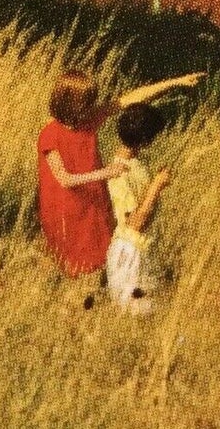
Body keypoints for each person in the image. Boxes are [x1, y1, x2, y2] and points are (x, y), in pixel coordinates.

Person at [37, 69, 202, 289]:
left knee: (96, 264)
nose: (93, 106)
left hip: (92, 203)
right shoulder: (50, 135)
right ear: (71, 103)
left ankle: (97, 299)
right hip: (65, 208)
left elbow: (131, 98)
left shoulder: (88, 121)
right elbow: (64, 179)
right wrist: (106, 173)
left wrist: (175, 81)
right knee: (70, 264)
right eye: (87, 102)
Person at [105, 103, 170, 315]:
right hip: (130, 255)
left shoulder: (135, 163)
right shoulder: (119, 173)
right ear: (144, 139)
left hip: (142, 250)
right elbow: (135, 223)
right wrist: (156, 187)